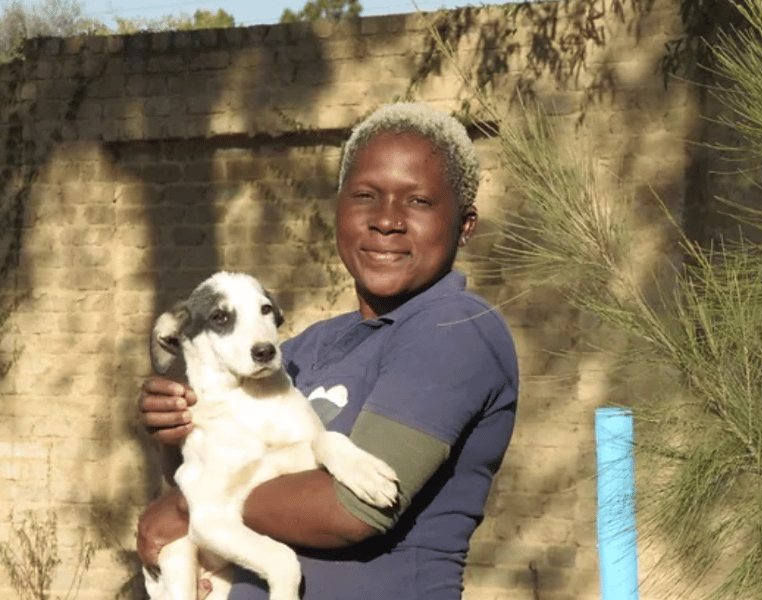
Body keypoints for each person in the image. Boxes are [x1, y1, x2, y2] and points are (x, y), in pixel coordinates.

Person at [137, 102, 519, 600]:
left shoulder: (455, 328)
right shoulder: (304, 348)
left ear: (465, 225)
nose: (387, 221)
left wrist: (194, 505)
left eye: (419, 202)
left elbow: (351, 509)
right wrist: (173, 434)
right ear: (338, 208)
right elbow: (216, 463)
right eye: (365, 196)